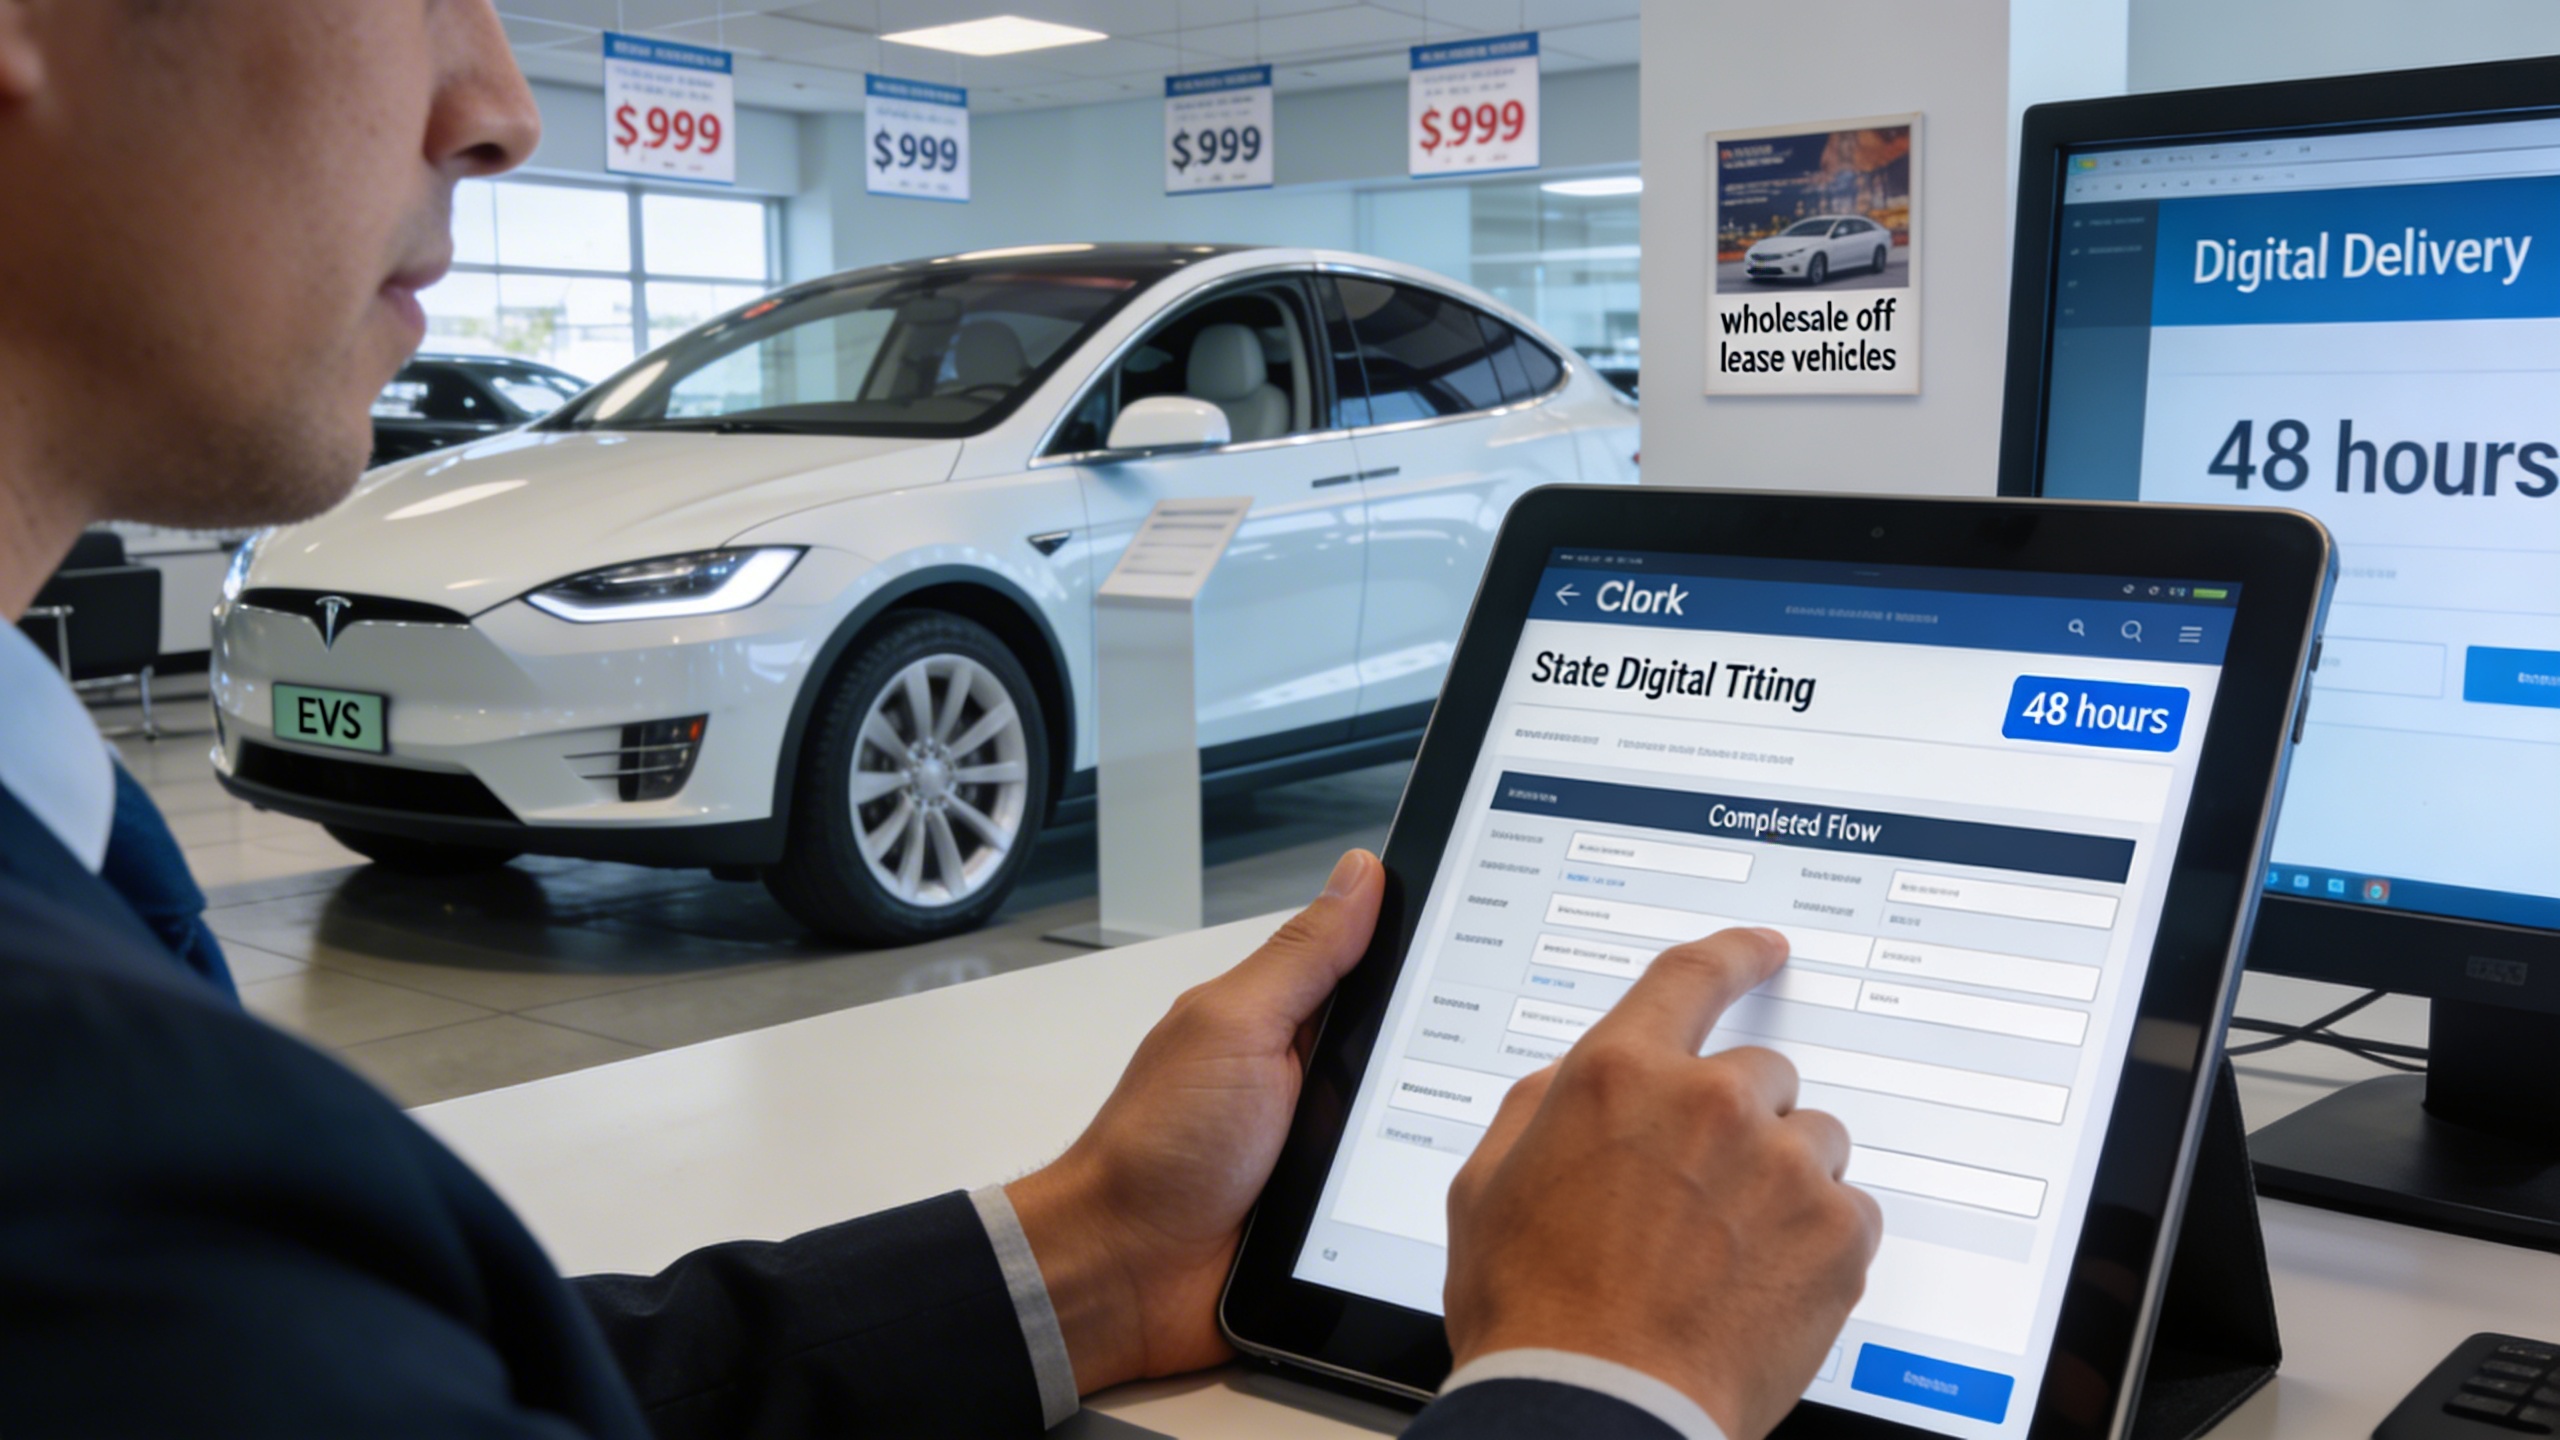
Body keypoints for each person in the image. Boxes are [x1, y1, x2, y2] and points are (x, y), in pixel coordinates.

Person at [0, 3, 1881, 1438]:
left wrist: (1090, 1248)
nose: (500, 101)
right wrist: (1597, 1382)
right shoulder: (86, 1133)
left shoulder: (82, 969)